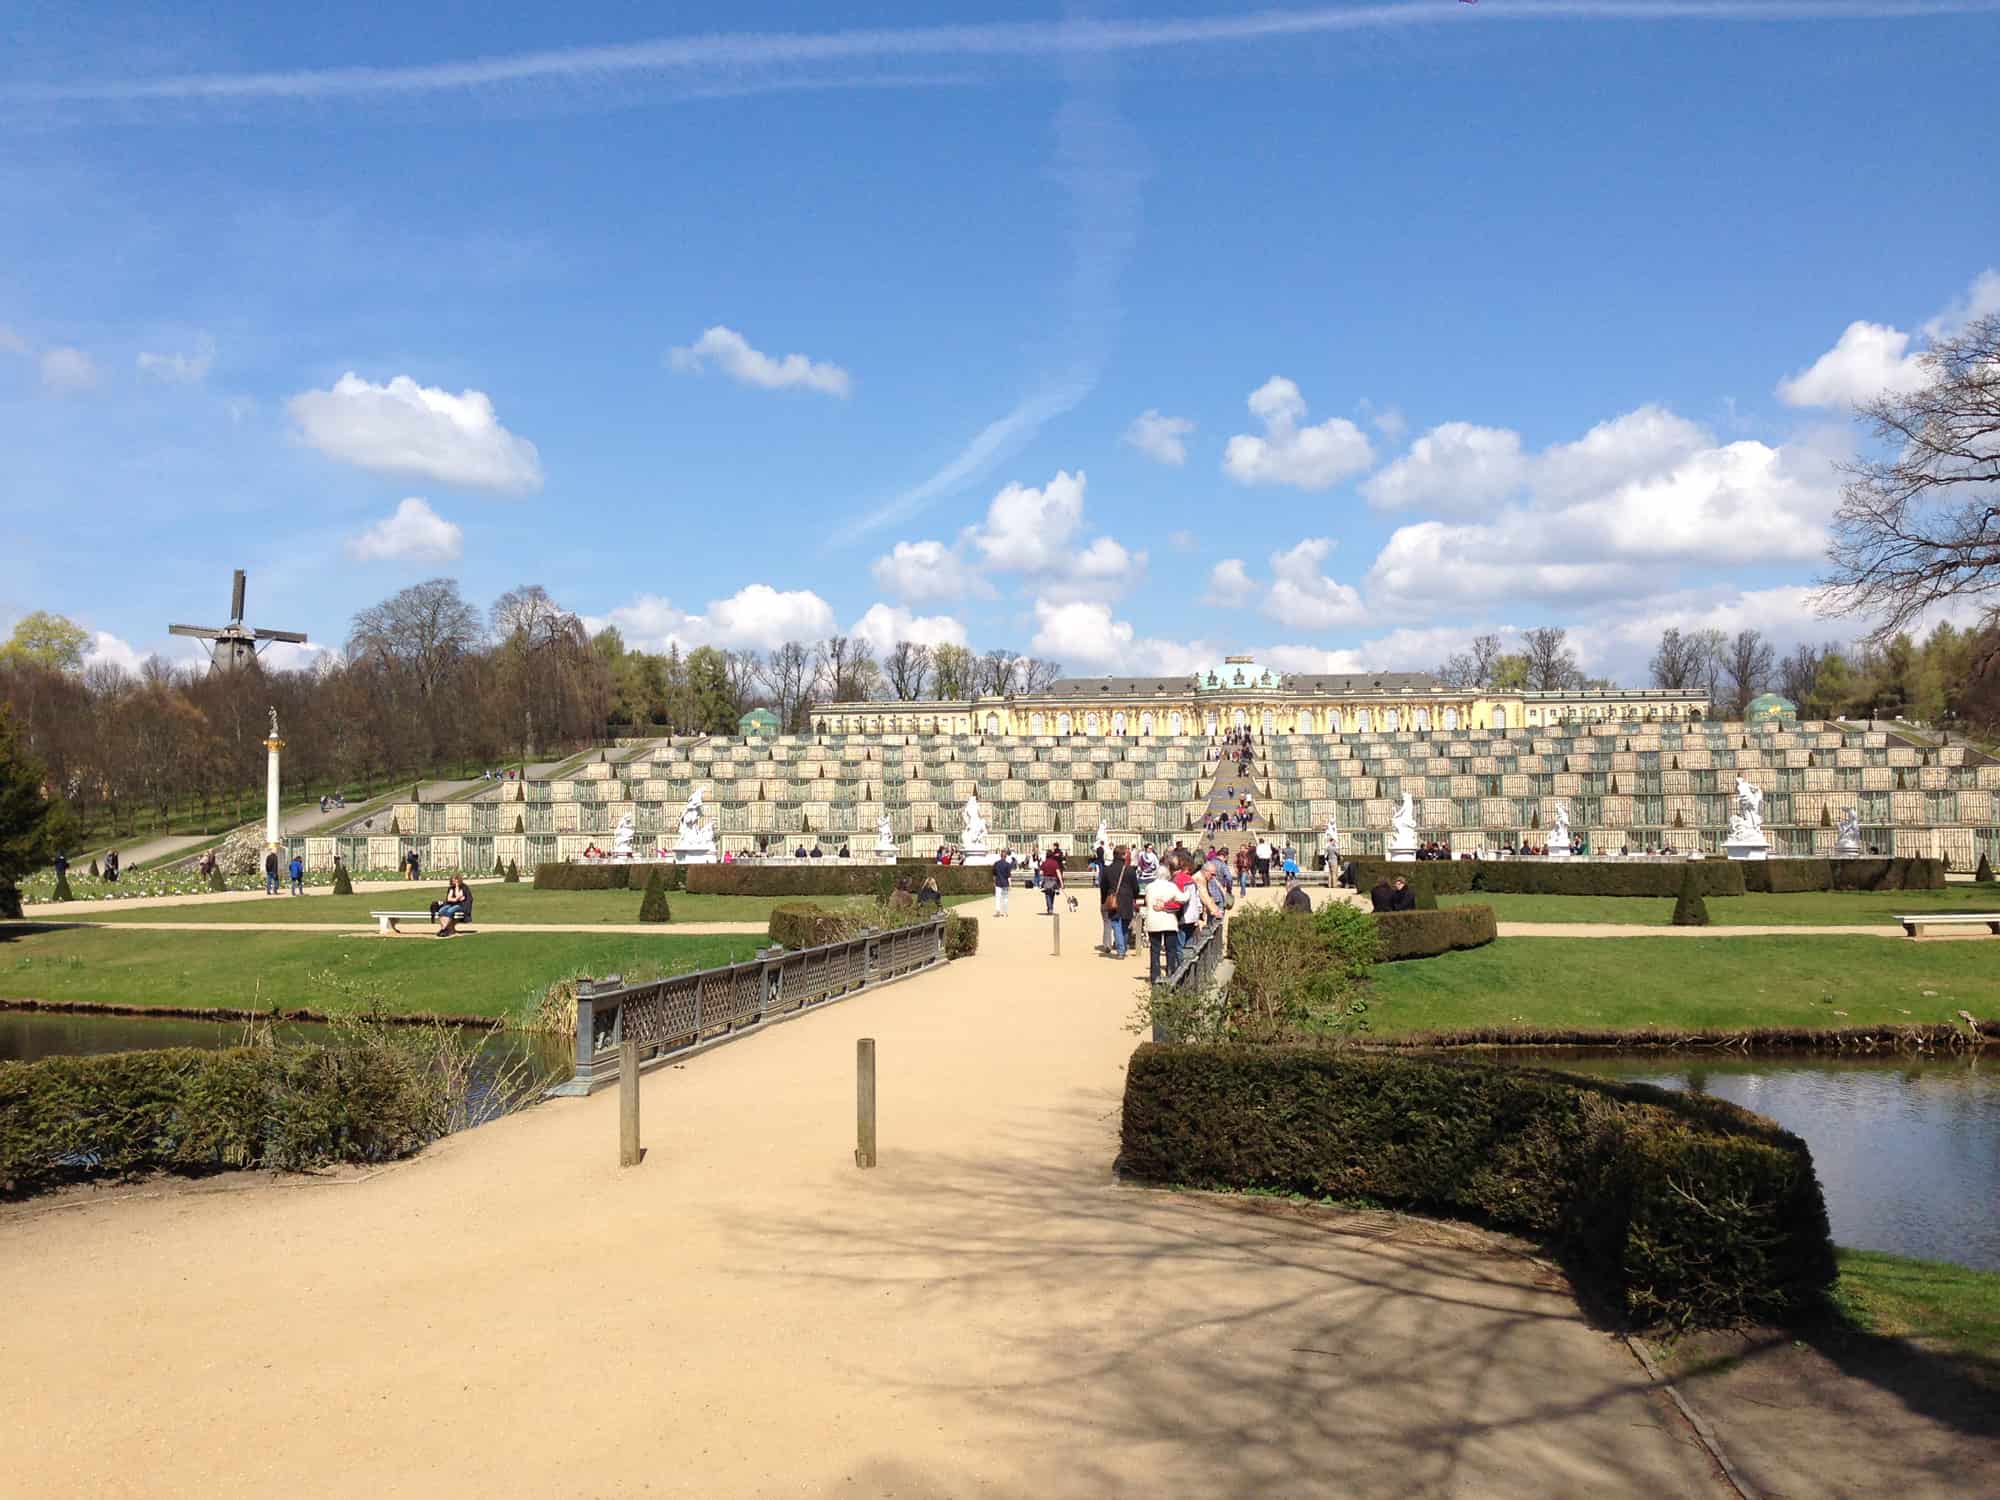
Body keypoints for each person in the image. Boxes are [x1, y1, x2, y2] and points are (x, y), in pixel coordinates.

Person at [1144, 861, 1185, 983]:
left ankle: (1154, 975)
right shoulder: (1171, 886)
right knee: (1170, 949)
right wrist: (1188, 893)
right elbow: (1182, 898)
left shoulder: (1149, 887)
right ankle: (1170, 971)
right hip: (1168, 921)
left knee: (1155, 949)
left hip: (1154, 921)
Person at [1099, 845, 1139, 959]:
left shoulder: (1107, 870)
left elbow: (1103, 887)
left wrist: (1103, 900)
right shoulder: (1130, 870)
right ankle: (1123, 947)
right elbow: (1135, 887)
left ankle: (1121, 949)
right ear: (1122, 855)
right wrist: (1134, 897)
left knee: (1116, 924)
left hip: (1113, 898)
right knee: (1125, 926)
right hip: (1127, 899)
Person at [991, 849, 1015, 917]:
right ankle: (1005, 912)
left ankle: (998, 911)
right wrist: (1010, 885)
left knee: (998, 898)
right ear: (1006, 856)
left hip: (998, 882)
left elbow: (994, 874)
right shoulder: (1007, 865)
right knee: (1005, 898)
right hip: (1005, 883)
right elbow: (1008, 876)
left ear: (1000, 856)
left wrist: (994, 882)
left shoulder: (996, 863)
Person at [1040, 846, 1064, 915]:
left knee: (1047, 894)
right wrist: (1061, 882)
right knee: (1052, 894)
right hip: (1054, 880)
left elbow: (1040, 873)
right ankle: (1051, 908)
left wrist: (1042, 880)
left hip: (1046, 879)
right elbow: (1058, 873)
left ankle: (1049, 908)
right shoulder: (1055, 863)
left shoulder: (1044, 863)